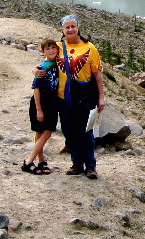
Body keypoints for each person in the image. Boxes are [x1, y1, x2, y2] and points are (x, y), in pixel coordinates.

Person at [35, 14, 106, 179]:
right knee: (69, 131)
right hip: (63, 98)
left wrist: (101, 97)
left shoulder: (90, 48)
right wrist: (35, 71)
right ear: (62, 29)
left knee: (86, 132)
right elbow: (44, 63)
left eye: (73, 26)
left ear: (78, 27)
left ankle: (90, 166)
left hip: (85, 97)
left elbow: (97, 75)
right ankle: (76, 164)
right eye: (67, 27)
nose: (70, 30)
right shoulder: (58, 47)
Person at [22, 38, 60, 175]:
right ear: (42, 51)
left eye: (53, 48)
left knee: (40, 133)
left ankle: (42, 161)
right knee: (46, 132)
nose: (51, 51)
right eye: (48, 49)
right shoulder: (42, 68)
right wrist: (39, 109)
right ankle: (28, 161)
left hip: (52, 102)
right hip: (41, 102)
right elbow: (36, 88)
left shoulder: (58, 64)